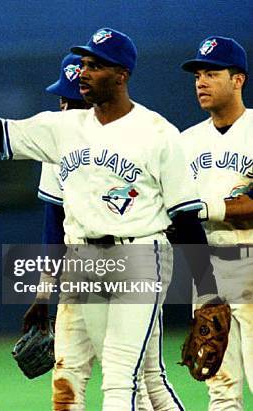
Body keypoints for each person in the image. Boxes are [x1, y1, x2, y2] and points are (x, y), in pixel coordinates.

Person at [0, 27, 221, 409]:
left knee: (120, 381)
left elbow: (184, 219)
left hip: (139, 256)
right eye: (83, 64)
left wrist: (210, 293)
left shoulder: (157, 133)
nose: (83, 72)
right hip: (83, 260)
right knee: (124, 377)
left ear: (122, 73)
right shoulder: (63, 128)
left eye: (95, 65)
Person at [23, 52, 184, 411]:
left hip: (134, 265)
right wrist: (46, 290)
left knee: (142, 379)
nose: (63, 107)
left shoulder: (142, 134)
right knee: (72, 380)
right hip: (81, 269)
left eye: (70, 101)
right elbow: (54, 221)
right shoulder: (61, 144)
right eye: (62, 100)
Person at [180, 35, 252, 411]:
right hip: (209, 265)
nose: (201, 82)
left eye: (211, 73)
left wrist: (199, 208)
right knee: (221, 392)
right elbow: (179, 222)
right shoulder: (185, 142)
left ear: (238, 79)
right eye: (197, 75)